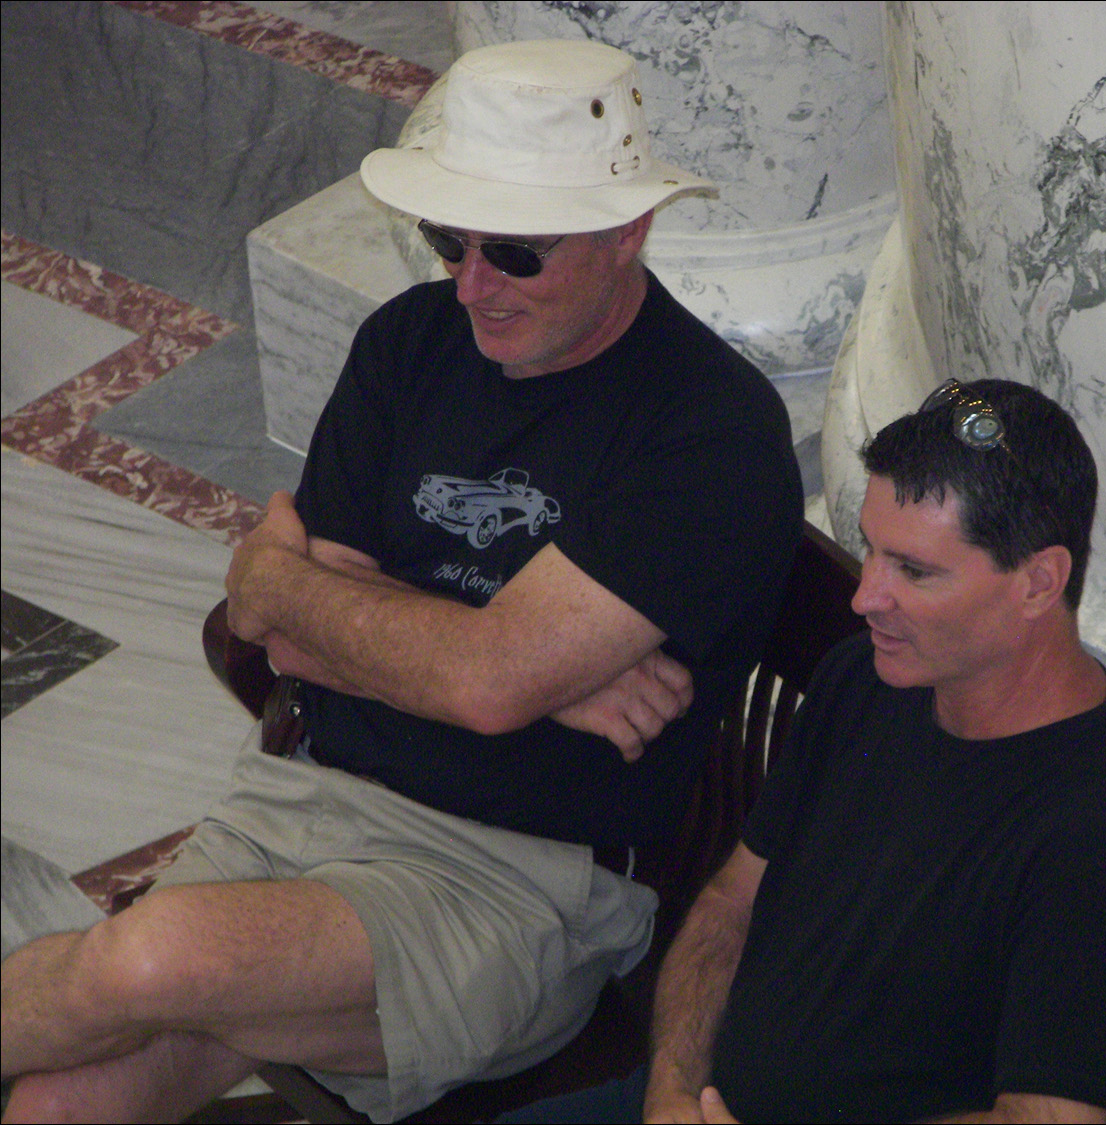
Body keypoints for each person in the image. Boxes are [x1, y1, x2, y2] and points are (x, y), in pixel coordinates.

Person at [1, 40, 802, 1124]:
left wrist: (309, 596)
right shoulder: (410, 342)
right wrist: (509, 667)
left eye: (514, 253)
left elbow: (361, 630)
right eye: (447, 240)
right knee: (58, 1105)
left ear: (627, 231)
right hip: (301, 796)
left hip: (510, 889)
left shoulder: (708, 434)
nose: (470, 284)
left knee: (142, 968)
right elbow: (284, 635)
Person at [509, 378, 1106, 1123]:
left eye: (913, 571)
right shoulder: (868, 680)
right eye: (870, 551)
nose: (865, 596)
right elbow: (730, 904)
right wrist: (671, 1092)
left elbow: (1046, 1118)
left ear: (1039, 582)